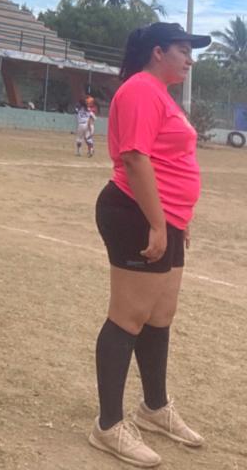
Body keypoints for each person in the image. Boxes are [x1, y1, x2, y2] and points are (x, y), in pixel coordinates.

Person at [89, 23, 211, 467]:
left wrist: (179, 220)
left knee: (160, 316)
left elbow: (172, 160)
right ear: (157, 52)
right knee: (128, 318)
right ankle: (107, 425)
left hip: (166, 218)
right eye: (183, 50)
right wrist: (158, 225)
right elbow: (136, 158)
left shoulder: (162, 94)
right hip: (134, 213)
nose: (190, 58)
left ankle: (154, 408)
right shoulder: (141, 89)